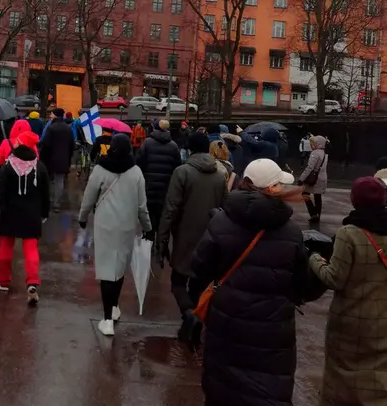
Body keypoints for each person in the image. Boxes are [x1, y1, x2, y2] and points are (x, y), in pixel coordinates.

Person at [191, 159, 309, 406]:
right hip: (272, 330)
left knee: (223, 389)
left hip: (227, 321)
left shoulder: (221, 221)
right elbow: (302, 285)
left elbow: (199, 266)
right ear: (271, 189)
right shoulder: (291, 232)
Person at [310, 176, 387, 405]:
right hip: (383, 318)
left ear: (354, 200)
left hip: (351, 320)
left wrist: (314, 258)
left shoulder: (350, 233)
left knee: (342, 378)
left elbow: (334, 278)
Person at [78, 134, 151, 337]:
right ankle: (115, 306)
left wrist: (82, 217)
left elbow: (89, 196)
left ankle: (107, 319)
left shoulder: (100, 169)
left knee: (107, 270)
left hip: (105, 226)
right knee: (119, 268)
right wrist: (147, 227)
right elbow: (142, 206)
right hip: (127, 225)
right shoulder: (136, 172)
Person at [159, 132, 226, 344]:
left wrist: (162, 239)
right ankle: (194, 323)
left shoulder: (182, 172)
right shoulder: (219, 176)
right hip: (210, 239)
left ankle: (189, 315)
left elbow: (170, 209)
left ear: (189, 149)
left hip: (185, 237)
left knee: (178, 282)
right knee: (199, 285)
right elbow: (225, 209)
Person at [0, 132, 50, 304]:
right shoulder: (39, 167)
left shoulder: (8, 166)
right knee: (31, 249)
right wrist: (44, 212)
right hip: (32, 214)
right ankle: (32, 281)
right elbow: (45, 194)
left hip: (9, 212)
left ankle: (4, 281)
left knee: (6, 246)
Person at [136, 119, 180, 241]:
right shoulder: (174, 146)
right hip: (166, 186)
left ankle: (149, 237)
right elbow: (177, 166)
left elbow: (139, 162)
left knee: (149, 211)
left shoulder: (147, 143)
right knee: (162, 213)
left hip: (149, 185)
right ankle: (160, 242)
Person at [39, 108, 74, 213]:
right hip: (63, 159)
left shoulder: (51, 128)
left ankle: (46, 202)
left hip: (50, 159)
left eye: (52, 114)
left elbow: (45, 144)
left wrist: (42, 158)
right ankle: (56, 204)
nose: (50, 115)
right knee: (60, 181)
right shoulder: (68, 129)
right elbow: (71, 145)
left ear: (55, 115)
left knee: (48, 181)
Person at [298, 135, 328, 223]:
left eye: (314, 143)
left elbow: (310, 167)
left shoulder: (315, 153)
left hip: (314, 178)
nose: (312, 144)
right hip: (322, 177)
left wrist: (301, 179)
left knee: (305, 194)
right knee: (318, 197)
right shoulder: (325, 153)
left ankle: (313, 213)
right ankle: (317, 215)